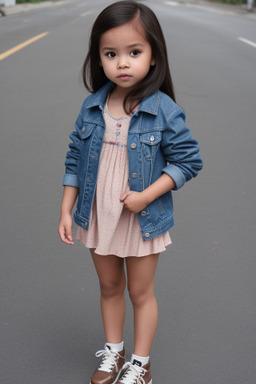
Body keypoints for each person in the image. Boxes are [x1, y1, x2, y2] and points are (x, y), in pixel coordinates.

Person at [58, 1, 203, 383]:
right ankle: (113, 353)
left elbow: (189, 162)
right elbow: (74, 159)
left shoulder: (164, 110)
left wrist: (145, 196)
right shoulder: (92, 107)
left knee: (139, 292)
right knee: (109, 286)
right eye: (111, 54)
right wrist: (66, 209)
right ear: (99, 59)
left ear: (153, 56)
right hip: (98, 212)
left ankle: (140, 363)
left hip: (140, 217)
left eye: (134, 52)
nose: (122, 63)